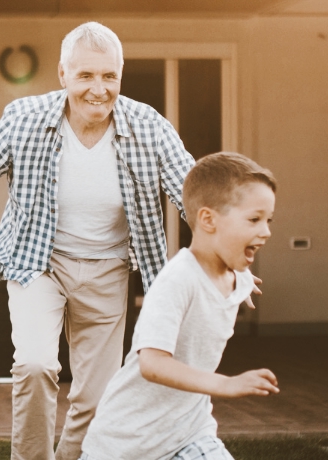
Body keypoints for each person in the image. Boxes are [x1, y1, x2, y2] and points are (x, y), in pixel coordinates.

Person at [0, 22, 241, 460]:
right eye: (86, 75)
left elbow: (195, 197)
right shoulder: (26, 120)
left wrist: (226, 261)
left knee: (96, 399)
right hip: (39, 265)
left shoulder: (149, 126)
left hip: (110, 269)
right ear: (62, 75)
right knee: (35, 366)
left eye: (109, 76)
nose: (98, 89)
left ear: (120, 76)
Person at [80, 152, 280, 460]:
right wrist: (224, 384)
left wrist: (245, 278)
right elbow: (153, 363)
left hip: (189, 432)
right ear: (208, 219)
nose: (265, 230)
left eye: (268, 220)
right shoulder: (177, 280)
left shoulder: (234, 272)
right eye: (254, 219)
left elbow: (232, 271)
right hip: (126, 444)